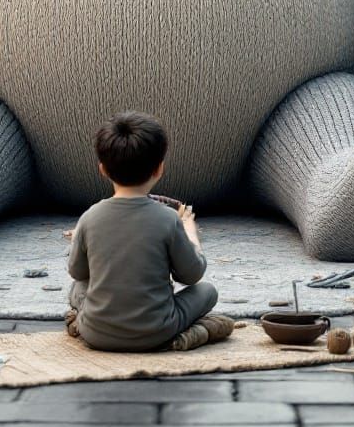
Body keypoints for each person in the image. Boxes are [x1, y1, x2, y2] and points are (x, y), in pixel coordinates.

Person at [66, 112, 234, 351]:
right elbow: (191, 275)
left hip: (96, 334)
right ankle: (190, 335)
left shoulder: (89, 216)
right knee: (207, 291)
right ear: (159, 168)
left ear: (102, 169)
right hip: (157, 332)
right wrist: (190, 232)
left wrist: (83, 244)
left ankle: (79, 324)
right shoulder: (167, 219)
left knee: (77, 290)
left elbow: (77, 272)